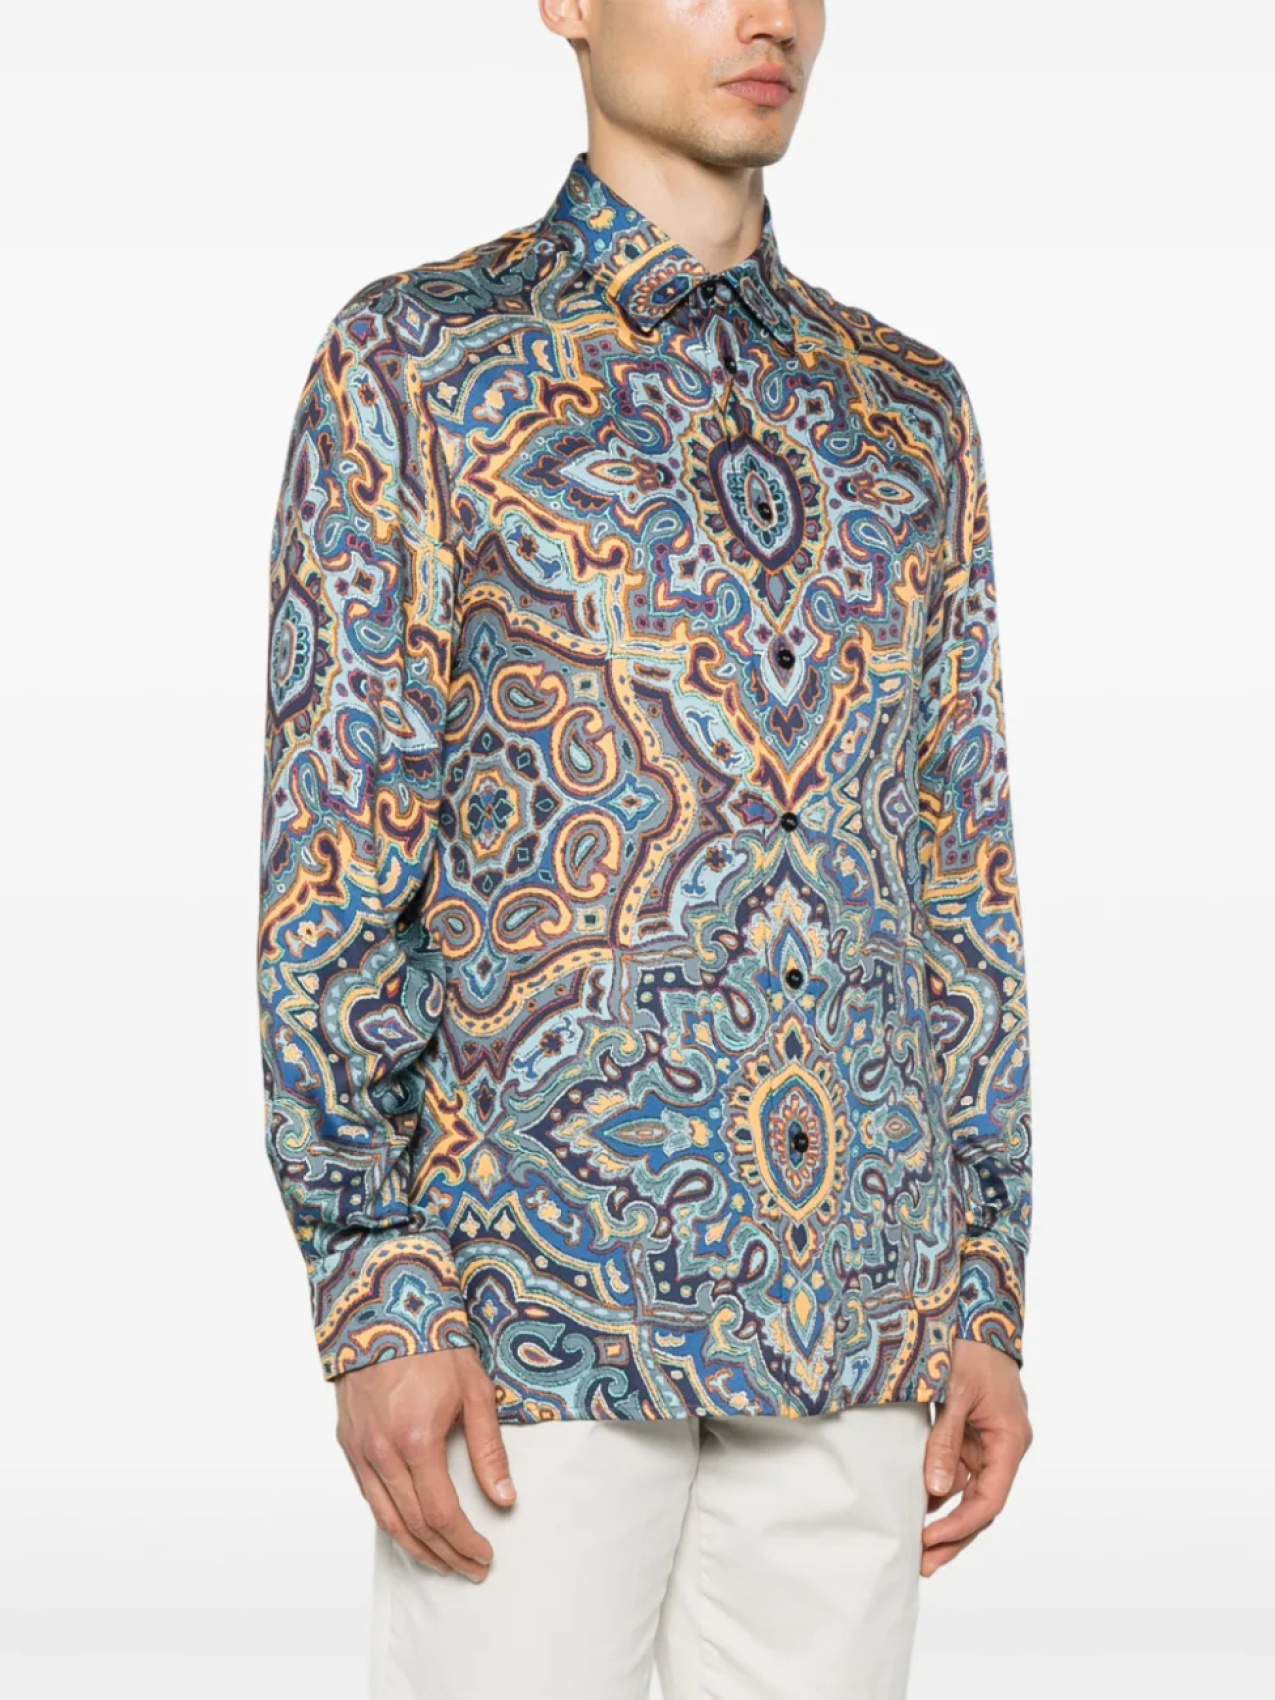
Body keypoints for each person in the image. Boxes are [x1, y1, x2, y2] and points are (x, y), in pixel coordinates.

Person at [256, 1, 1034, 1694]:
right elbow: (333, 871)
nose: (771, 19)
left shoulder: (912, 414)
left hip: (859, 1327)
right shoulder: (417, 365)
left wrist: (986, 1284)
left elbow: (959, 876)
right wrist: (374, 1288)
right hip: (524, 1329)